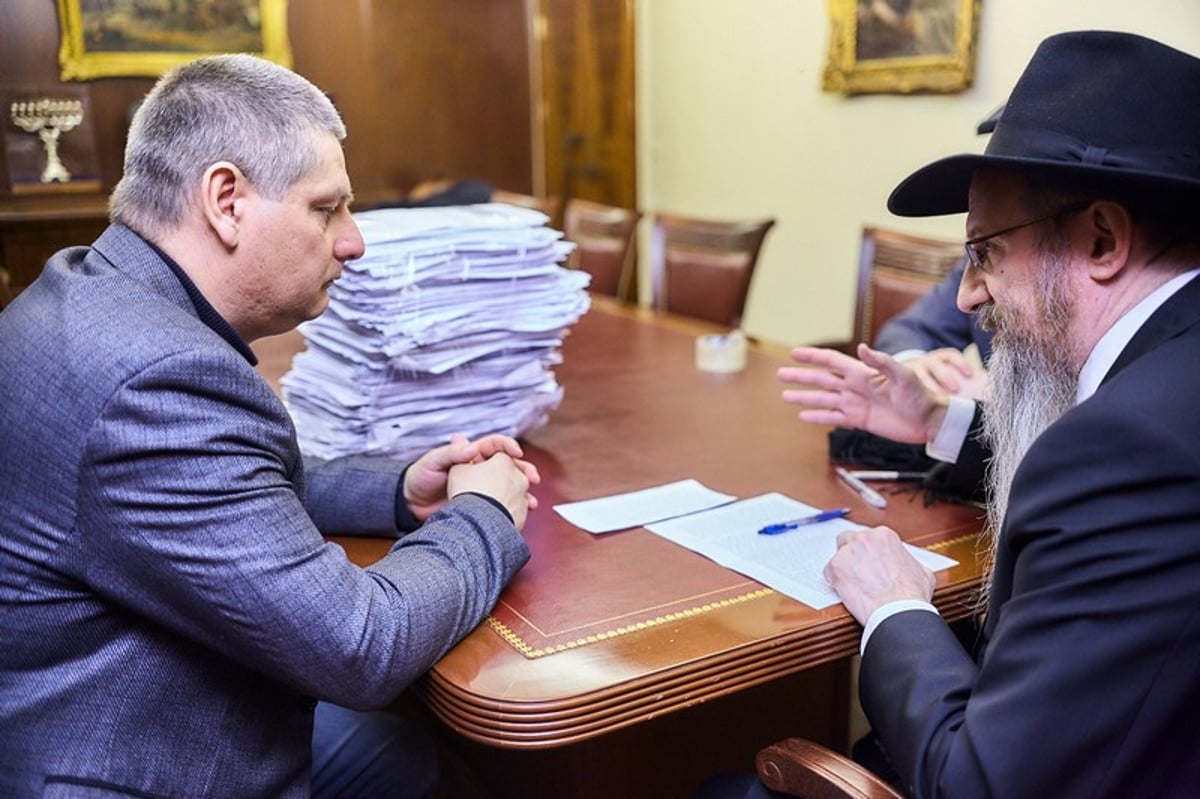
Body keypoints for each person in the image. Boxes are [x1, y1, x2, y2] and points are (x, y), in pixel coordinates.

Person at [0, 55, 541, 797]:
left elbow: (216, 483)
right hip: (136, 761)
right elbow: (360, 644)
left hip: (107, 704)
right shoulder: (157, 380)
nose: (353, 241)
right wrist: (485, 513)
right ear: (226, 200)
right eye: (327, 208)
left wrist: (396, 493)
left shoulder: (87, 292)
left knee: (404, 753)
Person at [716, 30, 1200, 798]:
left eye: (987, 252)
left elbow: (978, 785)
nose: (969, 296)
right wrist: (939, 421)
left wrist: (897, 608)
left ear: (1103, 239)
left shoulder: (1129, 445)